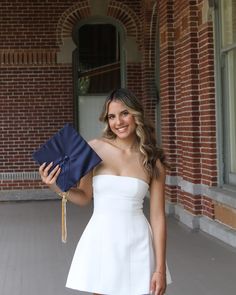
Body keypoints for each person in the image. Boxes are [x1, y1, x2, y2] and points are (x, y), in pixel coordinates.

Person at [39, 88, 172, 295]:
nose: (118, 122)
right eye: (112, 116)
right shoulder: (94, 149)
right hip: (102, 239)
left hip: (138, 243)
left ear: (136, 115)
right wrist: (54, 185)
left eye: (124, 113)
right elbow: (84, 197)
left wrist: (160, 269)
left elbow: (157, 218)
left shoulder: (152, 161)